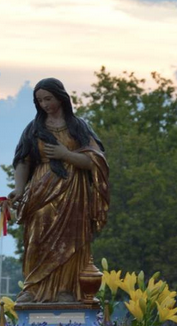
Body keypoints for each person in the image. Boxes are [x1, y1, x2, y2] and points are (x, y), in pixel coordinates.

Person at [9, 77, 109, 304]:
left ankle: (67, 288)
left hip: (74, 192)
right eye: (40, 100)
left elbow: (96, 161)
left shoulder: (79, 127)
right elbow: (22, 160)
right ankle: (33, 288)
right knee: (37, 235)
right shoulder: (34, 129)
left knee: (70, 239)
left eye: (48, 98)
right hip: (41, 190)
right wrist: (19, 189)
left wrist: (66, 155)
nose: (45, 104)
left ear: (61, 97)